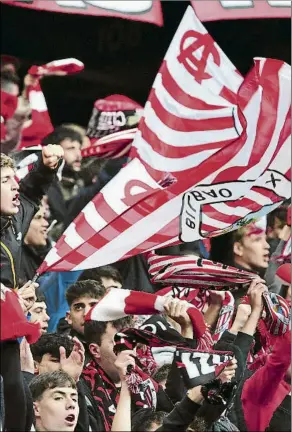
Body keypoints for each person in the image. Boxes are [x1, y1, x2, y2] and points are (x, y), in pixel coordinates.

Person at [0, 146, 63, 431]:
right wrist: (9, 298)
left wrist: (47, 168)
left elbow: (30, 194)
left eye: (14, 178)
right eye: (5, 180)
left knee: (21, 409)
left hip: (8, 339)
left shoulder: (12, 224)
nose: (15, 185)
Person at [42, 126, 83, 239]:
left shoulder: (81, 183)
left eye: (79, 148)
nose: (78, 155)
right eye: (71, 148)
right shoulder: (42, 187)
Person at [20, 202, 49, 283]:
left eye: (44, 217)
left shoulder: (33, 253)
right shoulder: (13, 261)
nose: (46, 223)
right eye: (38, 217)